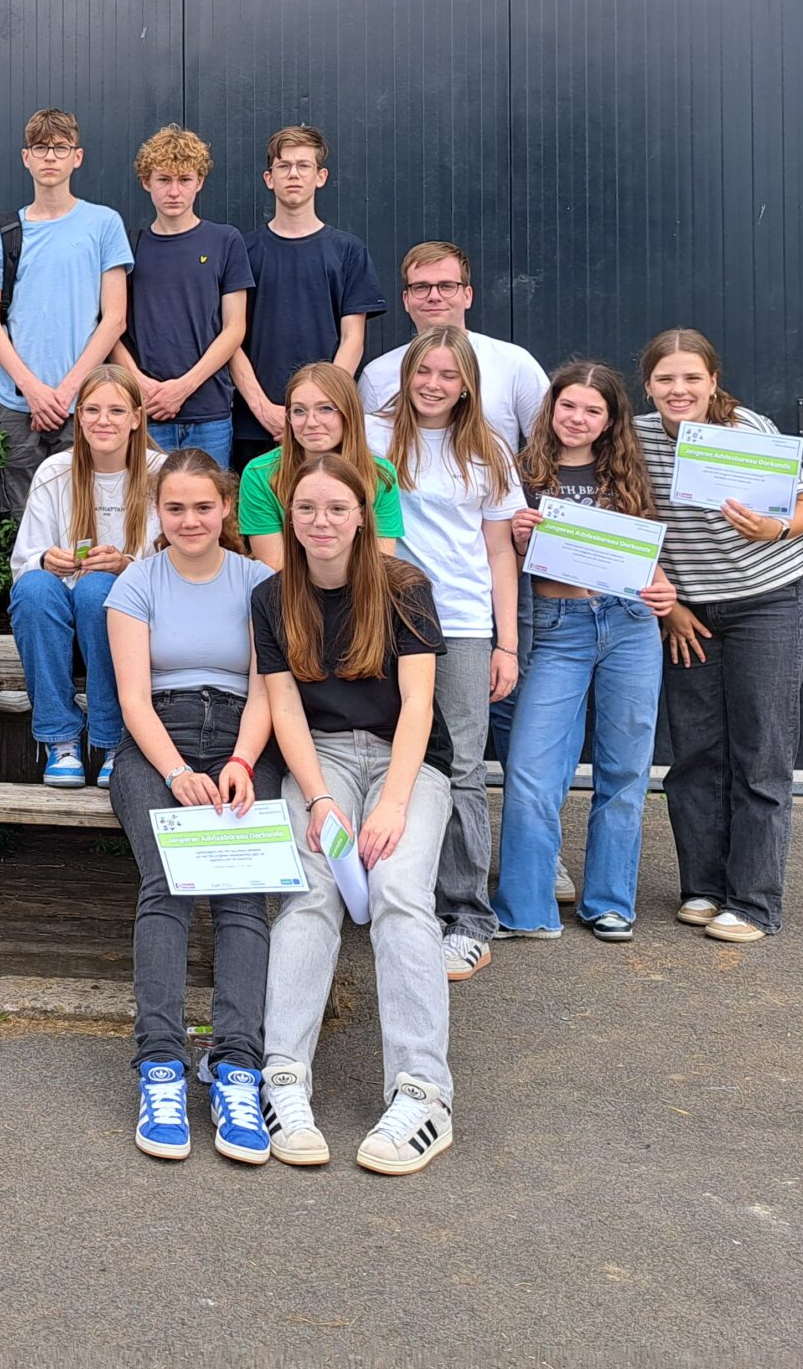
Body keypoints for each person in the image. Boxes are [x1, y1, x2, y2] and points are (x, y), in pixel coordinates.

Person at [254, 454, 456, 1177]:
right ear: (290, 517)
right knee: (310, 895)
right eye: (306, 509)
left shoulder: (404, 587)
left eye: (337, 508)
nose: (321, 522)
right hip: (324, 761)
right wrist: (320, 798)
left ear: (363, 515)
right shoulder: (273, 596)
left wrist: (394, 804)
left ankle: (424, 1093)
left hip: (409, 762)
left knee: (401, 893)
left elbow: (420, 706)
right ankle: (283, 1079)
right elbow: (283, 707)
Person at [103, 450, 279, 1163]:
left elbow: (271, 689)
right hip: (157, 745)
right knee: (168, 886)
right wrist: (176, 772)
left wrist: (240, 760)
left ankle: (237, 1065)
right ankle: (162, 1066)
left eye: (202, 507)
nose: (189, 521)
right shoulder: (135, 582)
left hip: (244, 737)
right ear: (158, 511)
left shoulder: (259, 582)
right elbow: (133, 698)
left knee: (243, 893)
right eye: (174, 508)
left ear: (226, 510)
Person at [636, 328, 803, 945]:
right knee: (694, 752)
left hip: (765, 601)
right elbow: (625, 525)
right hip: (689, 611)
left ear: (713, 381)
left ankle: (753, 901)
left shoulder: (749, 431)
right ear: (649, 386)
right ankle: (704, 888)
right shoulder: (634, 439)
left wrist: (775, 528)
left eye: (692, 377)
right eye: (666, 379)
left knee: (760, 748)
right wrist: (668, 608)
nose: (678, 389)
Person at [496, 361, 675, 943]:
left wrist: (662, 584)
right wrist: (517, 539)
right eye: (567, 406)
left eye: (592, 410)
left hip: (627, 621)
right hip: (555, 626)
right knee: (531, 770)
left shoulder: (626, 469)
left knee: (624, 769)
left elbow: (644, 550)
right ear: (549, 409)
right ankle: (525, 909)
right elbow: (497, 559)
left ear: (610, 419)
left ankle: (609, 902)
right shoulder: (519, 470)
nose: (578, 418)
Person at [369, 325, 520, 983]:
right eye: (422, 372)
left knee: (460, 763)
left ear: (466, 385)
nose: (433, 385)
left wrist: (506, 641)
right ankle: (399, 902)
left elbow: (498, 553)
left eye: (447, 376)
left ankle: (467, 918)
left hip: (459, 622)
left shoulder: (488, 452)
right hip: (388, 615)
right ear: (407, 375)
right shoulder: (371, 436)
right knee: (384, 755)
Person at [0, 107, 134, 527]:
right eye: (40, 148)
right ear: (26, 157)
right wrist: (33, 391)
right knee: (24, 520)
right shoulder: (2, 232)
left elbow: (114, 318)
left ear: (76, 157)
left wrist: (66, 392)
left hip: (84, 404)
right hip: (16, 401)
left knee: (86, 517)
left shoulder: (103, 224)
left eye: (60, 148)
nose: (50, 157)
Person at [9, 366, 161, 788]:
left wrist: (126, 565)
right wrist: (46, 559)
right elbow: (22, 563)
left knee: (99, 588)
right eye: (92, 409)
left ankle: (113, 740)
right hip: (58, 628)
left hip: (128, 628)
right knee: (35, 588)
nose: (103, 420)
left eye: (116, 410)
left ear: (136, 416)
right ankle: (61, 741)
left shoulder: (159, 472)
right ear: (78, 415)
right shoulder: (55, 470)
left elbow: (174, 566)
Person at [227, 124, 384, 470]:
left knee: (325, 518)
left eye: (303, 166)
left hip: (327, 427)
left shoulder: (348, 251)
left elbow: (353, 339)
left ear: (321, 176)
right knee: (259, 522)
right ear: (269, 178)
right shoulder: (241, 250)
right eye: (283, 166)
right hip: (255, 423)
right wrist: (263, 408)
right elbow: (230, 336)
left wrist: (317, 409)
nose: (293, 174)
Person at [116, 124, 249, 461]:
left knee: (208, 511)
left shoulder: (225, 241)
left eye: (184, 180)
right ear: (146, 182)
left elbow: (234, 328)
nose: (174, 191)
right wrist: (140, 384)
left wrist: (183, 387)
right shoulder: (127, 246)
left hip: (210, 413)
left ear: (199, 182)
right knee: (144, 512)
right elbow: (108, 324)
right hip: (144, 410)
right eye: (163, 180)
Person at [358, 242, 550, 454]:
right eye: (421, 287)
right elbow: (366, 458)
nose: (434, 296)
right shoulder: (376, 375)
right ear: (406, 299)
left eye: (446, 286)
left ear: (467, 296)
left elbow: (546, 447)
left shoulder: (514, 363)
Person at [236, 361, 405, 573]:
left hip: (362, 593)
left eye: (325, 409)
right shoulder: (260, 475)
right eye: (299, 411)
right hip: (291, 594)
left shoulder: (380, 475)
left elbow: (380, 563)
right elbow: (275, 567)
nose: (311, 422)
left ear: (348, 413)